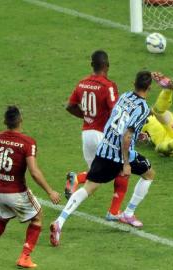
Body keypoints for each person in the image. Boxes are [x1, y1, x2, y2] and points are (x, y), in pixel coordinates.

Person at [50, 71, 155, 247]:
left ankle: (60, 221)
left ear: (133, 82)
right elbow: (127, 135)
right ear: (149, 87)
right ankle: (128, 213)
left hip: (104, 147)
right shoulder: (143, 108)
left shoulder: (124, 96)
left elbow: (118, 122)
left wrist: (138, 135)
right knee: (149, 174)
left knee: (89, 187)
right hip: (120, 154)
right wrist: (126, 163)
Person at [0, 106, 61, 269]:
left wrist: (3, 169)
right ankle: (24, 257)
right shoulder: (28, 142)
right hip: (16, 192)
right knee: (38, 216)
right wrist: (50, 191)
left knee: (3, 218)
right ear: (20, 120)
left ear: (5, 122)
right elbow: (34, 172)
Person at [64, 49, 129, 221]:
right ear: (107, 65)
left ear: (92, 65)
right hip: (102, 136)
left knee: (96, 177)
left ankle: (76, 178)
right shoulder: (108, 86)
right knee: (123, 169)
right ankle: (114, 212)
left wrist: (86, 117)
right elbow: (116, 111)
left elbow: (70, 106)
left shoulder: (82, 83)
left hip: (87, 135)